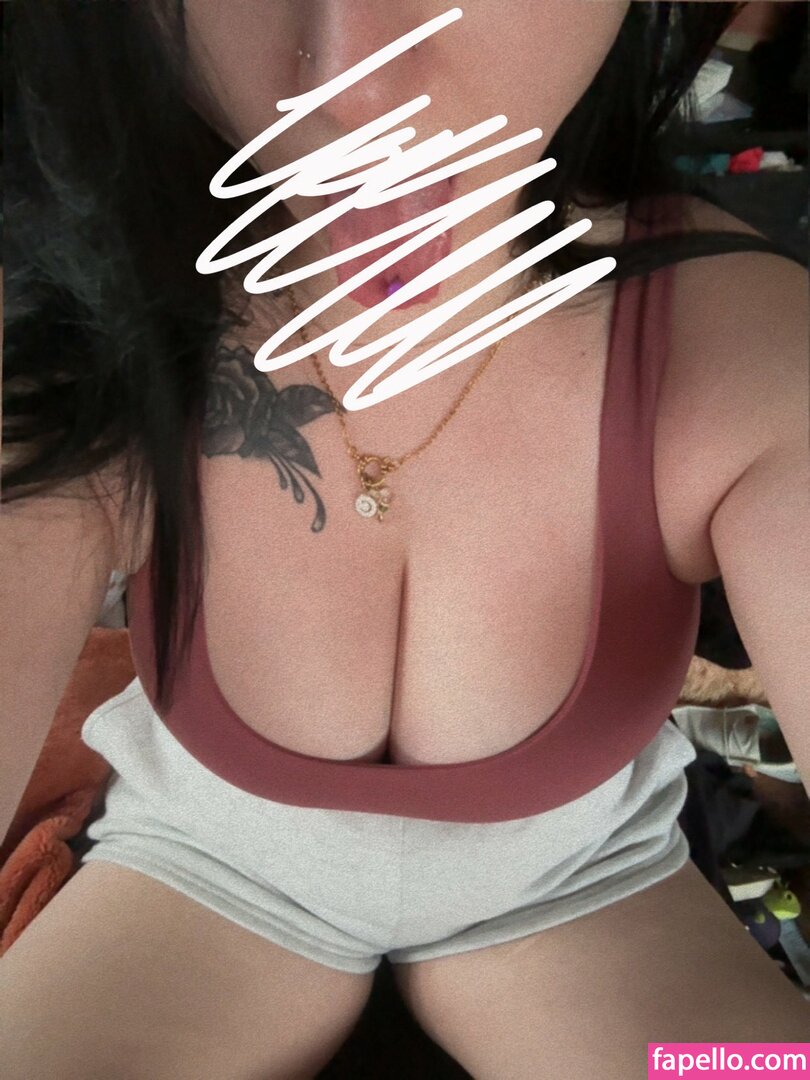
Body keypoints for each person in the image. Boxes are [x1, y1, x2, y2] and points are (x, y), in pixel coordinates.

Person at [2, 2, 808, 1077]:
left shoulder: (743, 350)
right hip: (201, 877)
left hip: (583, 895)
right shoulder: (90, 325)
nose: (354, 82)